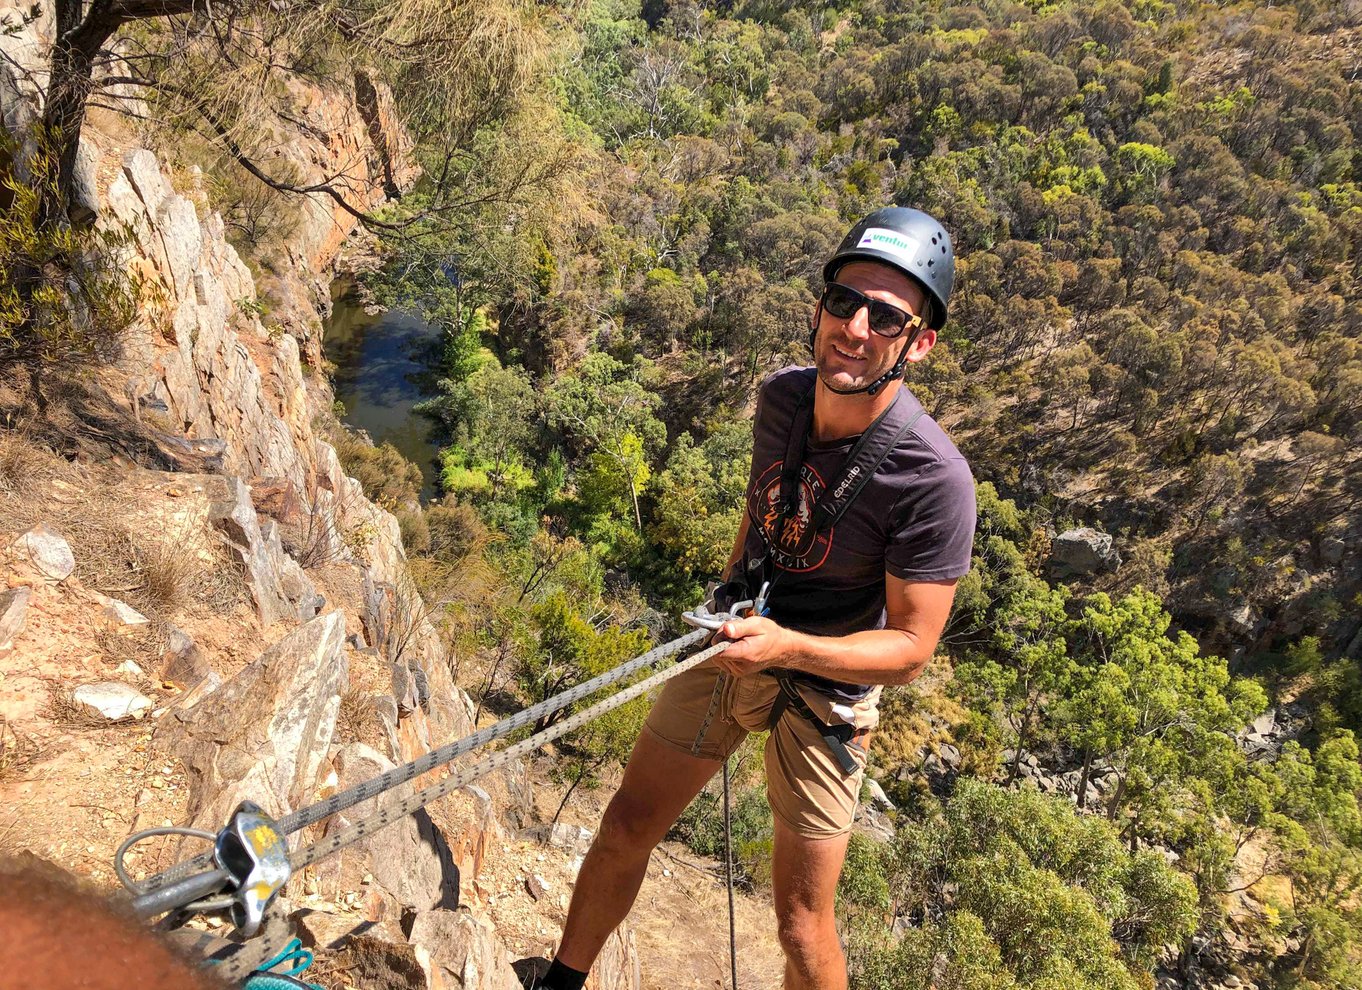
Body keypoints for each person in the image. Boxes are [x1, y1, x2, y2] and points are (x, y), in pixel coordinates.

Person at [541, 207, 976, 990]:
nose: (855, 328)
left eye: (886, 316)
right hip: (737, 638)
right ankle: (561, 982)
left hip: (828, 688)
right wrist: (738, 585)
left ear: (918, 343)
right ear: (820, 307)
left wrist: (788, 649)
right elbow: (766, 505)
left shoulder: (933, 478)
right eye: (843, 301)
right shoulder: (782, 399)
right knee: (626, 826)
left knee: (802, 928)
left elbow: (911, 650)